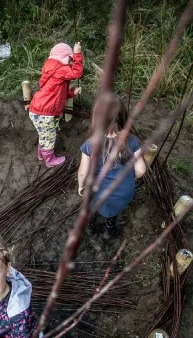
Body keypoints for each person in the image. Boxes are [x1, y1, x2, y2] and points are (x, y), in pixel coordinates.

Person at [77, 94, 147, 239]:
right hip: (122, 192)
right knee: (113, 210)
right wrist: (131, 178)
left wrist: (81, 185)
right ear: (123, 118)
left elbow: (83, 173)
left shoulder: (90, 144)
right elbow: (141, 170)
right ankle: (109, 229)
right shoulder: (132, 141)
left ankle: (91, 224)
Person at [29, 42, 83, 168]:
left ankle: (41, 154)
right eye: (70, 59)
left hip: (39, 109)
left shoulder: (53, 69)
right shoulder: (59, 69)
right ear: (64, 57)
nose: (71, 62)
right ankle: (49, 160)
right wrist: (77, 54)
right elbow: (77, 73)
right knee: (49, 136)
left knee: (44, 134)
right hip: (43, 112)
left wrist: (72, 93)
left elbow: (58, 92)